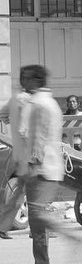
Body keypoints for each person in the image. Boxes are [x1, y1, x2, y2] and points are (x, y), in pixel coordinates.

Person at [15, 65, 76, 264]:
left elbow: (38, 138)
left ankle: (45, 260)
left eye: (25, 77)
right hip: (46, 167)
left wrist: (32, 164)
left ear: (34, 80)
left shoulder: (39, 104)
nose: (21, 81)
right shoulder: (47, 102)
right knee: (36, 215)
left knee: (37, 215)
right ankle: (42, 261)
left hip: (42, 168)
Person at [0, 83, 32, 242]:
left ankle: (2, 226)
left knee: (20, 192)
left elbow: (3, 115)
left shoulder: (14, 99)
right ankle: (38, 229)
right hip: (31, 150)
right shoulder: (32, 100)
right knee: (34, 191)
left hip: (19, 150)